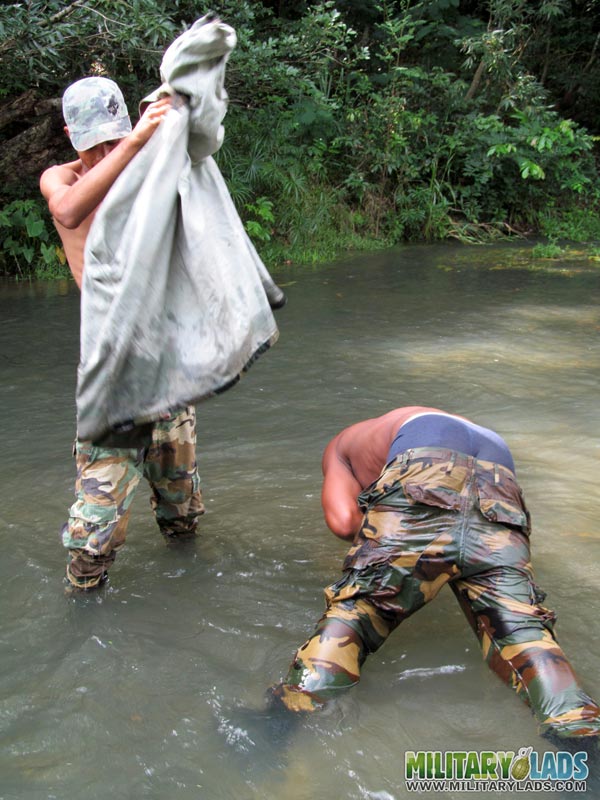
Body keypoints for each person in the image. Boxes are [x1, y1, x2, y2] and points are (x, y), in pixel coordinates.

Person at [271, 406, 600, 743]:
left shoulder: (338, 449)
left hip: (426, 458)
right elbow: (461, 517)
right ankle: (580, 736)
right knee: (523, 633)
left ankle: (282, 719)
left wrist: (400, 563)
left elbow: (344, 523)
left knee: (359, 611)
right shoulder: (395, 427)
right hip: (498, 468)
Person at [40, 77, 204, 591]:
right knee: (97, 520)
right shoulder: (60, 180)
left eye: (116, 138)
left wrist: (169, 114)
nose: (108, 152)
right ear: (70, 137)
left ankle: (191, 582)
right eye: (96, 146)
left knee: (181, 502)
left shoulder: (145, 168)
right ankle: (83, 596)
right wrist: (134, 143)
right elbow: (67, 210)